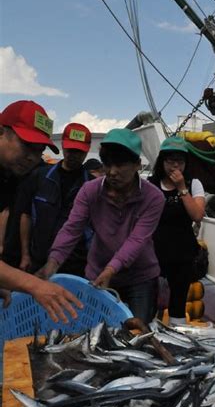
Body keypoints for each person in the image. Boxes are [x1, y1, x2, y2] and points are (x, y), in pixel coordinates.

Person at [37, 128, 164, 324]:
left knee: (137, 334)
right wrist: (52, 264)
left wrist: (111, 270)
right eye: (108, 164)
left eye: (120, 164)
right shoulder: (90, 191)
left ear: (137, 164)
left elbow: (137, 240)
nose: (112, 172)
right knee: (95, 332)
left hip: (140, 278)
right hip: (97, 274)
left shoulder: (154, 197)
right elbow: (72, 229)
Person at [0, 100, 82, 322]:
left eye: (39, 150)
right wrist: (33, 284)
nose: (33, 158)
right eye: (27, 145)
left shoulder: (11, 176)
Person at [18, 122, 93, 275]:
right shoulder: (39, 176)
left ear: (87, 151)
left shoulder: (92, 186)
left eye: (79, 151)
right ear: (63, 146)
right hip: (37, 260)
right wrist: (25, 254)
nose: (74, 155)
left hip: (75, 265)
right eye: (70, 150)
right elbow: (25, 215)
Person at [150, 136, 205, 326]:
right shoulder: (151, 183)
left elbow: (197, 215)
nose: (175, 165)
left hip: (182, 253)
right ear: (162, 161)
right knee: (150, 300)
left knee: (178, 301)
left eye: (180, 161)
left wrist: (182, 188)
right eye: (170, 160)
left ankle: (176, 337)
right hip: (153, 252)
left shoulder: (193, 184)